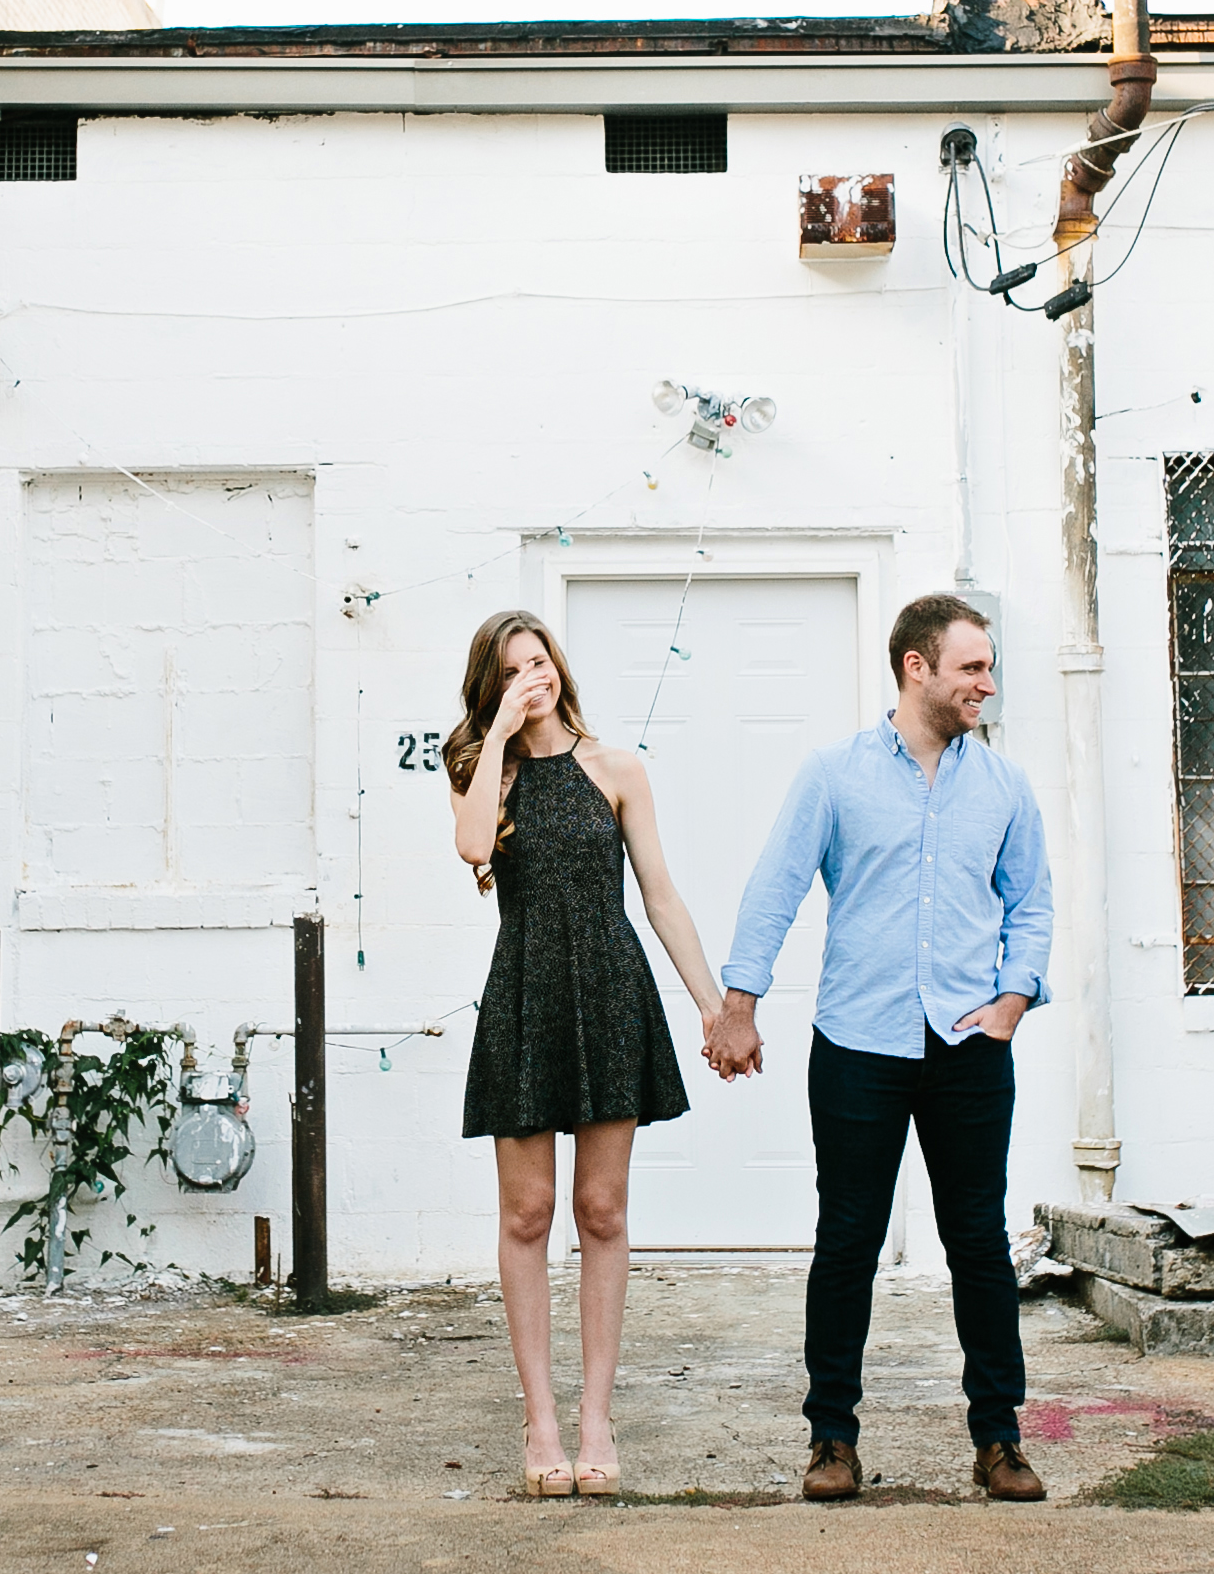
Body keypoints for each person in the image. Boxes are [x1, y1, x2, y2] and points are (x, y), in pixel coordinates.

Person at [706, 591, 1053, 1503]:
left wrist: (1014, 999)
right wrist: (736, 1007)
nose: (986, 683)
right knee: (848, 1240)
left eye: (987, 666)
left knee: (977, 1241)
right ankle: (831, 1438)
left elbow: (1032, 902)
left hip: (969, 1043)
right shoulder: (833, 775)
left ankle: (999, 1440)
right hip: (857, 1041)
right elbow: (774, 888)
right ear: (917, 667)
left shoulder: (1004, 786)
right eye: (971, 667)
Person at [448, 608, 729, 1498]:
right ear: (491, 690)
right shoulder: (480, 772)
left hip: (609, 991)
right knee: (526, 1215)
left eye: (538, 662)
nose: (530, 678)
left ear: (559, 670)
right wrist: (495, 733)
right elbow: (467, 847)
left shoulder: (616, 768)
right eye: (510, 672)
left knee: (600, 1211)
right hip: (524, 996)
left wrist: (716, 1008)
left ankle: (596, 1417)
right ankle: (539, 1422)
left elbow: (660, 897)